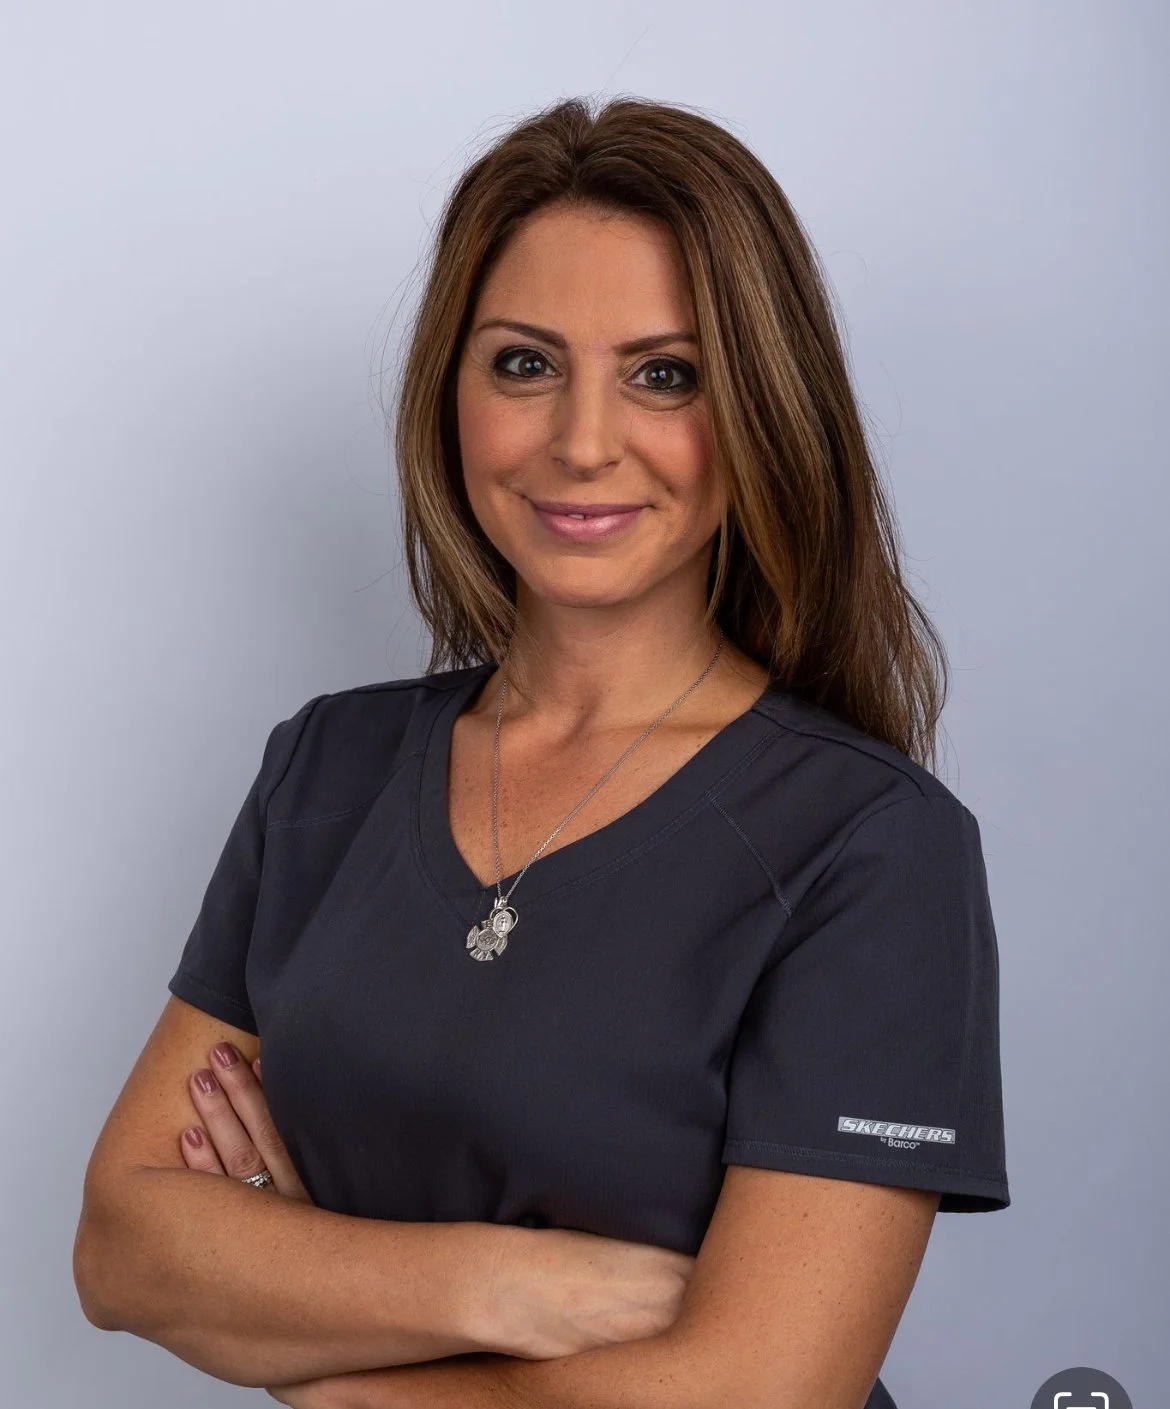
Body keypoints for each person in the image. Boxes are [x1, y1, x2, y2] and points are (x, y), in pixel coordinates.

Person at [72, 95, 1009, 1409]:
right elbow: (123, 1250)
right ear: (449, 391)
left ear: (759, 408)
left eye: (663, 373)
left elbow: (757, 1393)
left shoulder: (865, 841)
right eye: (522, 363)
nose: (579, 441)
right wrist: (512, 1289)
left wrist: (313, 1352)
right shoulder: (324, 771)